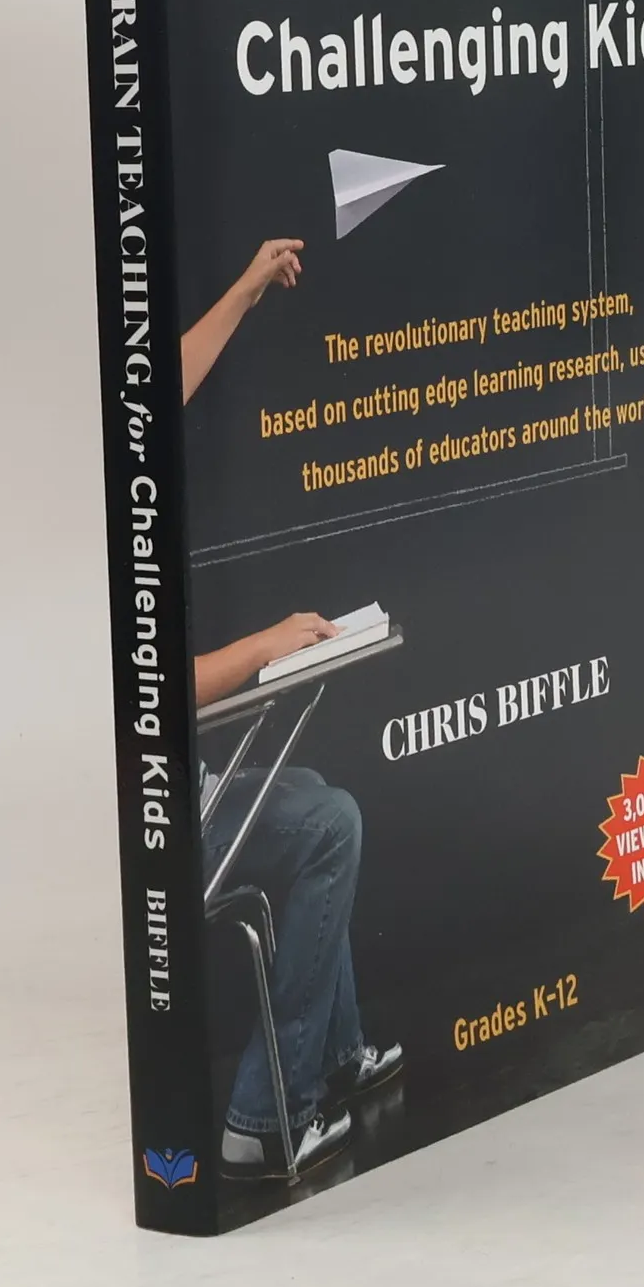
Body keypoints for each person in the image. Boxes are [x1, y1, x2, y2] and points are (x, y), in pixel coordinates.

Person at [184, 239, 401, 1179]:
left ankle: (336, 1050)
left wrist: (245, 286)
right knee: (330, 824)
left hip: (187, 787)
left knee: (309, 794)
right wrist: (266, 645)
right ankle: (264, 1117)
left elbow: (165, 376)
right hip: (163, 823)